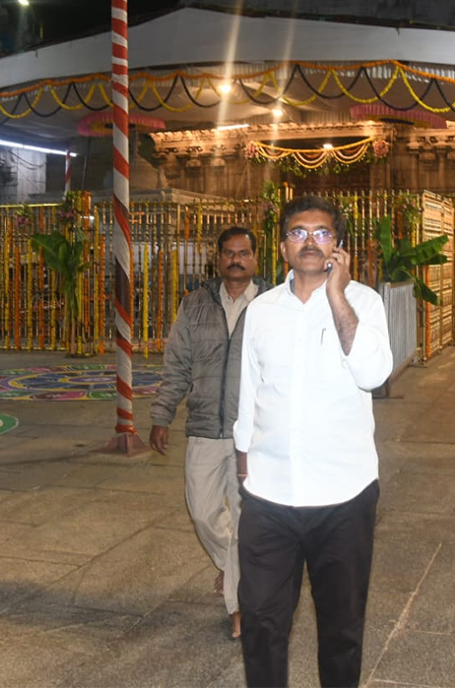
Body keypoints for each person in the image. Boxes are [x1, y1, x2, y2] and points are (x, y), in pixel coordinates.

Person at [234, 195, 393, 688]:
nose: (309, 241)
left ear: (337, 247)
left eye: (321, 233)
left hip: (343, 495)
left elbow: (374, 373)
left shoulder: (363, 302)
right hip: (269, 495)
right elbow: (249, 391)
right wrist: (243, 460)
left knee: (341, 629)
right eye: (298, 232)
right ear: (282, 245)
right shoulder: (261, 310)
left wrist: (337, 296)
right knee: (260, 621)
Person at [149, 226, 268, 640]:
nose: (236, 260)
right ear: (217, 259)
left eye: (244, 253)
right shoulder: (194, 305)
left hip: (252, 435)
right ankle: (231, 566)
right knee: (201, 512)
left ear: (255, 259)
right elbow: (177, 365)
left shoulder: (273, 306)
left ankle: (239, 606)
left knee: (244, 517)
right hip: (203, 428)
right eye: (229, 253)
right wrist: (162, 414)